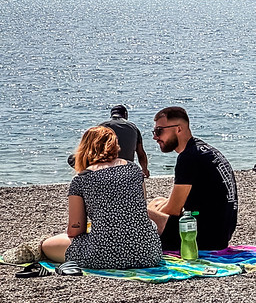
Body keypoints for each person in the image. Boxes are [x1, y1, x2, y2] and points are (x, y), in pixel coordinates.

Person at [3, 126, 162, 269]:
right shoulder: (134, 170)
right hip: (148, 254)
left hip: (102, 256)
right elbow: (139, 210)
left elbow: (75, 229)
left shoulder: (81, 179)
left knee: (46, 245)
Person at [146, 106, 238, 252]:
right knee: (157, 201)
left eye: (159, 131)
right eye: (154, 131)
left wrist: (151, 214)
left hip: (201, 238)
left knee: (138, 211)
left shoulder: (188, 158)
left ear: (179, 129)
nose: (155, 137)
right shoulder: (205, 150)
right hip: (220, 234)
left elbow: (173, 210)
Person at [66, 105, 151, 177]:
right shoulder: (134, 128)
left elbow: (91, 149)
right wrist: (145, 170)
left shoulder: (103, 126)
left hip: (104, 167)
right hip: (126, 168)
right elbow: (141, 153)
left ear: (112, 115)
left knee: (72, 158)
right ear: (125, 114)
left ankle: (87, 176)